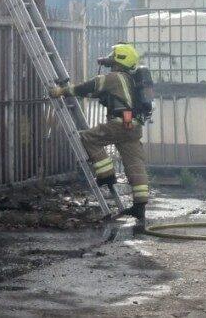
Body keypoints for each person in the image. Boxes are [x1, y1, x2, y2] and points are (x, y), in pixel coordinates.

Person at [49, 43, 149, 227]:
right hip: (133, 126)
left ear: (120, 60)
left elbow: (89, 86)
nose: (110, 62)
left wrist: (62, 91)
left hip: (119, 124)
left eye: (113, 58)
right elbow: (102, 94)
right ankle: (139, 207)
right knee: (135, 163)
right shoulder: (131, 80)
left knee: (88, 137)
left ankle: (106, 174)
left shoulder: (113, 77)